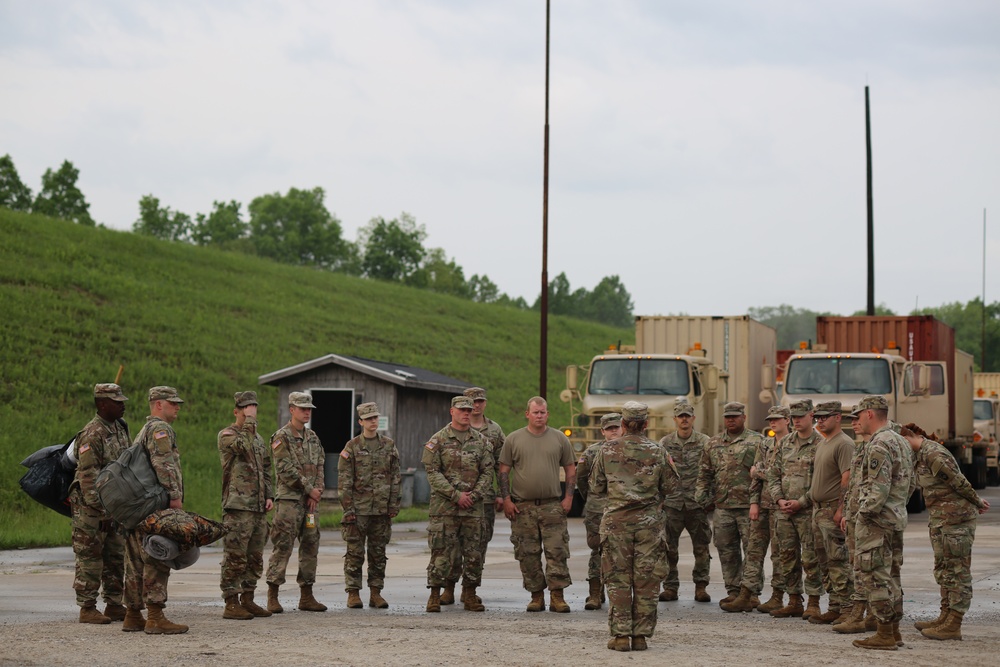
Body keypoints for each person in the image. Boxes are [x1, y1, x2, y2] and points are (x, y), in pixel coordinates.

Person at [591, 401, 677, 652]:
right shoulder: (658, 451)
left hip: (616, 524)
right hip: (649, 525)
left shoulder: (607, 450)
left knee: (617, 579)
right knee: (647, 580)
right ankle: (640, 636)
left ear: (624, 424)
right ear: (646, 424)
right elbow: (671, 488)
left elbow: (595, 486)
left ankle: (620, 637)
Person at [902, 423, 990, 641]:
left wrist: (977, 501)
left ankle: (954, 624)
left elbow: (958, 482)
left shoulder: (933, 454)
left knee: (957, 570)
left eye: (901, 441)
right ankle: (945, 616)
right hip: (941, 520)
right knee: (943, 568)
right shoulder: (918, 455)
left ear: (911, 436)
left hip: (957, 519)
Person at [499, 396, 577, 612]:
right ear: (527, 414)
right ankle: (536, 596)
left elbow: (571, 469)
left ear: (547, 414)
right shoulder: (513, 440)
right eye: (535, 412)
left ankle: (557, 597)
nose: (539, 416)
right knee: (528, 553)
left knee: (557, 552)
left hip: (552, 506)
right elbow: (504, 472)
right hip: (523, 507)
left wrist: (569, 497)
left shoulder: (560, 439)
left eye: (543, 412)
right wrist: (506, 500)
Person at [122, 386, 187, 634]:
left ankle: (132, 614)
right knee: (157, 554)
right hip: (156, 504)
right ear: (158, 404)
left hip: (138, 505)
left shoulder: (143, 430)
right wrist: (174, 496)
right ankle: (156, 616)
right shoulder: (160, 429)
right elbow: (164, 464)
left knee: (136, 559)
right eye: (173, 403)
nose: (177, 407)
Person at [850, 395, 912, 651]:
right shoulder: (900, 441)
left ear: (869, 414)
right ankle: (894, 631)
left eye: (857, 416)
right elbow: (910, 483)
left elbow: (877, 491)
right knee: (892, 576)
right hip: (894, 518)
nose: (856, 420)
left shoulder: (878, 444)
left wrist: (862, 517)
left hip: (876, 522)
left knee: (875, 577)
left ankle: (884, 633)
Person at [422, 395, 493, 612]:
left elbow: (488, 472)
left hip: (473, 508)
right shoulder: (438, 440)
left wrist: (474, 495)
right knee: (441, 552)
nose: (466, 413)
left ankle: (470, 594)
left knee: (473, 554)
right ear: (452, 411)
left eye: (469, 410)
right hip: (445, 509)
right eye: (462, 410)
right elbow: (432, 473)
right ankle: (435, 594)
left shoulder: (481, 441)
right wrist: (455, 496)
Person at [69, 382, 130, 624]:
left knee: (115, 555)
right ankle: (87, 607)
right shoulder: (91, 434)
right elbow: (88, 477)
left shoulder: (119, 429)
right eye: (117, 402)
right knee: (91, 556)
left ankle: (114, 604)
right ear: (102, 404)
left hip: (114, 507)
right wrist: (104, 512)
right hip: (91, 509)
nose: (122, 405)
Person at [694, 401, 762, 607]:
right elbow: (704, 474)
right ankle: (733, 590)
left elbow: (762, 475)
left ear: (744, 417)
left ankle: (752, 592)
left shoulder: (757, 441)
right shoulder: (713, 443)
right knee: (726, 550)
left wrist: (758, 502)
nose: (731, 419)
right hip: (722, 507)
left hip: (748, 507)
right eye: (727, 416)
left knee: (752, 551)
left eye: (735, 416)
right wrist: (703, 499)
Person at [265, 391, 326, 614]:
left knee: (310, 545)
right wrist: (310, 490)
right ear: (292, 410)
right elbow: (285, 469)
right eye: (303, 409)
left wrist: (316, 491)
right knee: (283, 546)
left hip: (310, 503)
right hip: (289, 502)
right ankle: (273, 594)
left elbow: (320, 466)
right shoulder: (281, 437)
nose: (307, 412)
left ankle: (307, 596)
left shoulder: (313, 437)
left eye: (309, 409)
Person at [724, 405, 789, 613]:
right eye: (770, 418)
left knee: (779, 554)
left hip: (782, 506)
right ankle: (746, 594)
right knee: (753, 551)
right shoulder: (765, 444)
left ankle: (777, 596)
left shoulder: (793, 445)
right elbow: (755, 478)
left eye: (777, 419)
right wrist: (753, 502)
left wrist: (760, 471)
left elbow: (784, 474)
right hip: (763, 504)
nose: (772, 422)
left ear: (787, 420)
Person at [339, 401, 401, 610]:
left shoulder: (389, 445)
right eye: (368, 419)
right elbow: (344, 481)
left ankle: (376, 593)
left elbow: (395, 477)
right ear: (361, 422)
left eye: (375, 417)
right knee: (355, 553)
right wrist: (348, 509)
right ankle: (353, 593)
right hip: (359, 509)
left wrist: (393, 503)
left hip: (381, 510)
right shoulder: (352, 447)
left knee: (378, 553)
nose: (373, 421)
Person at [765, 399, 823, 619]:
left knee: (810, 558)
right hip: (784, 511)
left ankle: (814, 602)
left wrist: (803, 501)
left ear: (812, 416)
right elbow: (773, 474)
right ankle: (794, 600)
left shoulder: (820, 443)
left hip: (807, 510)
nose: (797, 421)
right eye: (794, 417)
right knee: (787, 557)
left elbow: (822, 480)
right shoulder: (786, 442)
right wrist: (779, 499)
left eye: (801, 416)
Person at [218, 391, 273, 620]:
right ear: (236, 412)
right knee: (235, 556)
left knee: (255, 556)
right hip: (238, 506)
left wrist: (269, 495)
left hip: (258, 507)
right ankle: (231, 602)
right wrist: (249, 423)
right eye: (246, 409)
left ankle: (248, 598)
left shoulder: (259, 439)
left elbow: (267, 468)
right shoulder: (227, 435)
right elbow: (241, 446)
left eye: (254, 409)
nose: (251, 413)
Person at [659, 400, 712, 603]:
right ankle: (670, 587)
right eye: (680, 416)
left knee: (701, 548)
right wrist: (661, 499)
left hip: (696, 504)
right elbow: (659, 473)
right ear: (674, 419)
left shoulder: (705, 442)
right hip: (672, 505)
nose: (684, 419)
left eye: (687, 416)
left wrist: (709, 498)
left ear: (693, 419)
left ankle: (701, 586)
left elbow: (712, 471)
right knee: (669, 548)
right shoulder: (665, 443)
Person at [807, 401, 855, 624]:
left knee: (838, 561)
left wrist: (841, 509)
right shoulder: (823, 443)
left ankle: (848, 608)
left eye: (825, 416)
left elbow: (847, 478)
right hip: (818, 511)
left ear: (838, 417)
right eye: (818, 416)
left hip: (831, 510)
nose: (820, 420)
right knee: (824, 562)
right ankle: (835, 606)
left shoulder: (844, 444)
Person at [461, 386, 506, 604]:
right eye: (472, 402)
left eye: (480, 401)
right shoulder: (456, 428)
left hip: (485, 498)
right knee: (454, 544)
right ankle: (449, 586)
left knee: (479, 544)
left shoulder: (495, 430)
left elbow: (502, 466)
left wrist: (502, 495)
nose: (476, 406)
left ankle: (469, 587)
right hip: (458, 497)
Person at [575, 412, 621, 610]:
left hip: (621, 509)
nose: (614, 431)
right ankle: (595, 593)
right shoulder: (591, 453)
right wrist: (594, 499)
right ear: (602, 431)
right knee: (597, 551)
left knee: (621, 552)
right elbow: (581, 480)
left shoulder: (629, 451)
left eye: (616, 427)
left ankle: (619, 594)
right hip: (597, 510)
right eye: (610, 428)